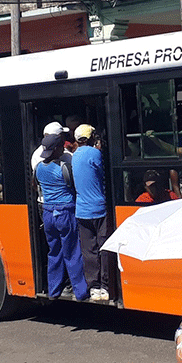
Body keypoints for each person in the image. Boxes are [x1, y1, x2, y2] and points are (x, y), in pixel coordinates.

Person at [34, 134, 88, 301]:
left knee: (54, 252)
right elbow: (74, 187)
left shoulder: (38, 168)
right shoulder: (64, 167)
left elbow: (36, 186)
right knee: (72, 252)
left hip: (48, 213)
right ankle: (80, 292)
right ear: (58, 149)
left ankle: (54, 290)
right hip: (65, 212)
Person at [70, 124, 110, 302]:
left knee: (89, 251)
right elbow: (102, 174)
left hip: (82, 211)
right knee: (104, 248)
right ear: (91, 138)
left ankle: (93, 287)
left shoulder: (74, 156)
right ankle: (106, 285)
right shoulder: (95, 154)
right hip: (99, 209)